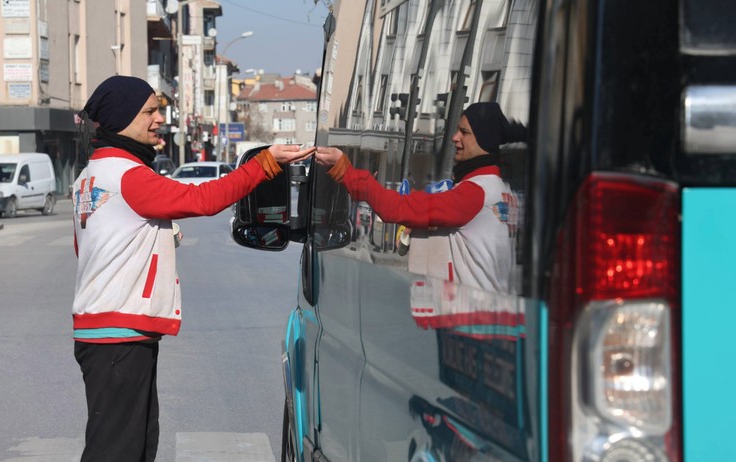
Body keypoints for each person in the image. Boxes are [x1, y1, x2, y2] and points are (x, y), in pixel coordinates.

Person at [71, 75, 313, 462]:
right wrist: (265, 164)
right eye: (149, 111)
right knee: (117, 450)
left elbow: (91, 246)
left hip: (110, 330)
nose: (157, 120)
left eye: (158, 111)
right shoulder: (128, 175)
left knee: (132, 444)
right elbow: (203, 199)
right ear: (121, 117)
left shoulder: (90, 176)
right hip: (119, 332)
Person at [315, 102, 524, 293]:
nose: (454, 137)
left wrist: (344, 168)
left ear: (484, 140)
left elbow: (395, 209)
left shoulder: (474, 193)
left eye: (464, 132)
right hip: (493, 310)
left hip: (474, 319)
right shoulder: (500, 189)